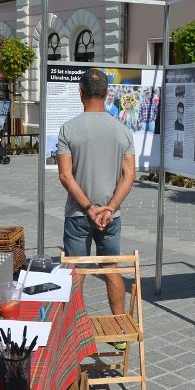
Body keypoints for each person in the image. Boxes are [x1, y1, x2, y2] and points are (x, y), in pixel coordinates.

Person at [57, 69, 135, 337]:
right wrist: (109, 208)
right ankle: (119, 333)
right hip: (111, 216)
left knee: (76, 271)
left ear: (80, 93)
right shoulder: (122, 130)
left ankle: (72, 331)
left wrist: (89, 208)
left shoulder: (69, 129)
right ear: (107, 94)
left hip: (79, 213)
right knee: (111, 268)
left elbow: (65, 175)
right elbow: (130, 175)